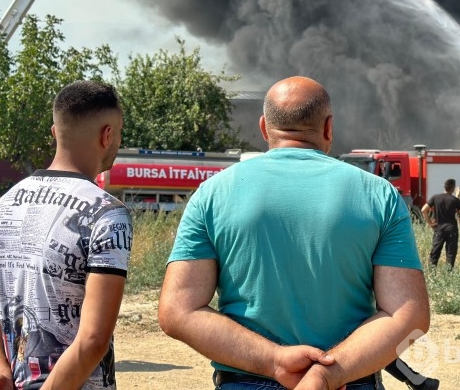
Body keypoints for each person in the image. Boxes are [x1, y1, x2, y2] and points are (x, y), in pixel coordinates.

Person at [158, 76, 432, 390]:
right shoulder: (379, 195)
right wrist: (328, 374)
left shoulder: (211, 194)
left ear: (264, 127)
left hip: (245, 382)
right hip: (348, 381)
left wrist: (273, 360)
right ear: (329, 127)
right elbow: (408, 315)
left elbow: (179, 311)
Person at [0, 80, 132, 390]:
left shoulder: (3, 206)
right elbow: (93, 339)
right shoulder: (107, 214)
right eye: (119, 133)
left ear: (55, 133)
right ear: (107, 135)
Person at [421, 178, 460, 269]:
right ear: (453, 188)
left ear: (444, 187)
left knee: (435, 252)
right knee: (450, 253)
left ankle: (431, 271)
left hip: (439, 229)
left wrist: (430, 223)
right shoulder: (454, 200)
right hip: (452, 229)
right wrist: (458, 196)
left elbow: (423, 210)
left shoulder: (435, 197)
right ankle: (448, 274)